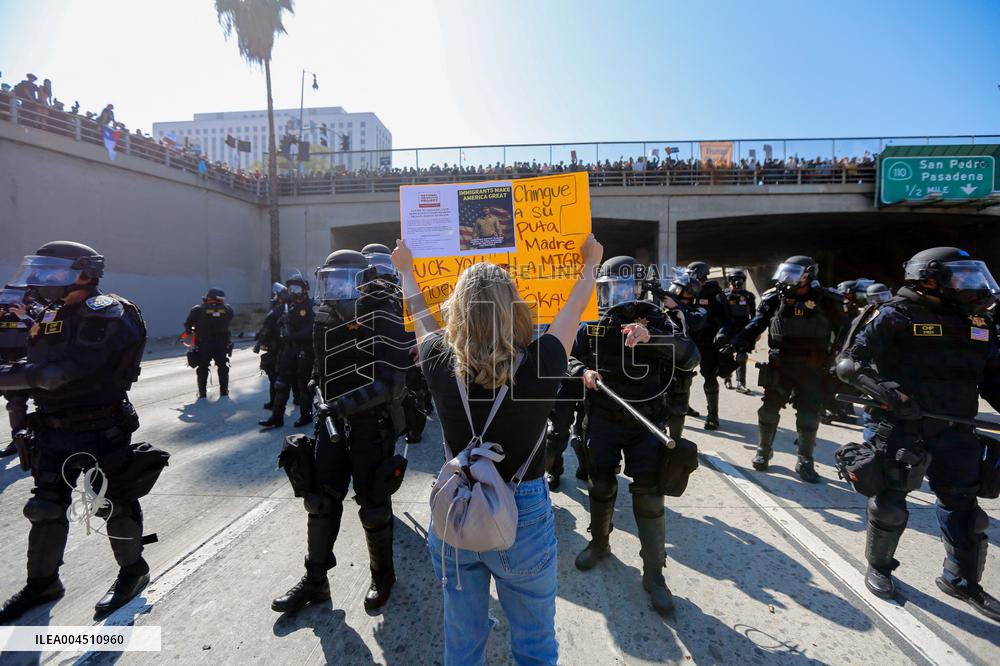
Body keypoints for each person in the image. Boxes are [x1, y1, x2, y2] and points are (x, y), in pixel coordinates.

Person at [396, 234, 602, 665]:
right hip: (521, 511)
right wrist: (591, 264)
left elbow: (419, 313)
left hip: (455, 508)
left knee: (462, 639)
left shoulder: (435, 357)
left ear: (458, 309)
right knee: (534, 643)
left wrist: (406, 269)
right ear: (513, 307)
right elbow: (573, 309)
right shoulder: (545, 359)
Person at [837, 247, 1000, 620]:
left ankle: (961, 580)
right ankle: (879, 567)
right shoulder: (893, 314)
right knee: (891, 503)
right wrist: (889, 394)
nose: (974, 284)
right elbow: (850, 363)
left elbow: (994, 378)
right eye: (963, 276)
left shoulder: (977, 322)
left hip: (958, 428)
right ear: (929, 279)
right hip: (902, 426)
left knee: (967, 512)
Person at [0, 241, 150, 622]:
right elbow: (27, 360)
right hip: (52, 427)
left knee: (113, 502)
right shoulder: (52, 313)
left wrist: (15, 377)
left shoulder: (109, 312)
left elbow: (59, 374)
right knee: (44, 508)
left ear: (85, 273)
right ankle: (43, 583)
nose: (41, 279)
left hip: (101, 426)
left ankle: (133, 572)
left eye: (51, 272)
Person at [272, 250, 410, 614]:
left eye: (342, 281)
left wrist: (344, 406)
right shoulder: (322, 316)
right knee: (319, 500)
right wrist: (318, 395)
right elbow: (319, 370)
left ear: (362, 281)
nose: (334, 289)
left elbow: (393, 384)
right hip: (329, 423)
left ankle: (383, 576)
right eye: (329, 280)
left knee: (374, 506)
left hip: (371, 425)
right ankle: (315, 580)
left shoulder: (385, 315)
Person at [570, 256, 700, 616]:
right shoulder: (593, 323)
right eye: (609, 288)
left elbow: (690, 357)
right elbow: (569, 356)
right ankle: (599, 544)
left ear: (640, 287)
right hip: (603, 419)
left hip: (648, 423)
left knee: (649, 496)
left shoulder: (660, 320)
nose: (615, 295)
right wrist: (582, 370)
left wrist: (653, 337)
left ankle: (654, 573)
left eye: (623, 287)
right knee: (600, 486)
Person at [726, 256, 848, 483]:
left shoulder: (826, 299)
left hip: (813, 366)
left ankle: (805, 459)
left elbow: (846, 330)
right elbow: (758, 323)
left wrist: (839, 358)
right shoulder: (775, 297)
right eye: (787, 272)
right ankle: (763, 450)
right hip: (780, 364)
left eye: (795, 273)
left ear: (808, 275)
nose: (788, 278)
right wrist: (738, 341)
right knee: (768, 411)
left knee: (809, 416)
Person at [259, 273, 314, 429]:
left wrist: (294, 334)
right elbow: (274, 324)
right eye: (291, 288)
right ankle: (277, 417)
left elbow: (312, 329)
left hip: (304, 351)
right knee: (281, 384)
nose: (293, 291)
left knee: (303, 386)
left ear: (305, 289)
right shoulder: (288, 307)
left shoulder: (311, 306)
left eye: (297, 287)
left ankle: (306, 416)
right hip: (288, 351)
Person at [684, 261, 733, 429]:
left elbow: (727, 318)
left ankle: (713, 416)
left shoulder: (714, 292)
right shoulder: (685, 288)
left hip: (707, 341)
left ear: (702, 276)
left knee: (709, 377)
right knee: (682, 376)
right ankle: (683, 406)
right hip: (689, 340)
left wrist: (722, 334)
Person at [183, 288, 234, 398]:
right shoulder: (227, 309)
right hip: (221, 344)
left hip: (204, 343)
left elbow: (188, 325)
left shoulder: (198, 310)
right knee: (223, 366)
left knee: (202, 368)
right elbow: (229, 320)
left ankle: (202, 393)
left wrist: (193, 329)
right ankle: (224, 390)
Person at [0, 285, 31, 458]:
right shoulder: (2, 311)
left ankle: (19, 441)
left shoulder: (37, 311)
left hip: (22, 364)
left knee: (16, 404)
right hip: (2, 361)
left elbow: (42, 332)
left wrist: (24, 316)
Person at [723, 268, 756, 394]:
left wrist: (755, 332)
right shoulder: (724, 296)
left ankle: (740, 383)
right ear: (730, 281)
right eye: (735, 280)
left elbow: (754, 316)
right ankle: (727, 378)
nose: (738, 282)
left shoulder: (748, 296)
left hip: (743, 329)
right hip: (729, 329)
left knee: (742, 356)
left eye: (740, 280)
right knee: (727, 354)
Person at [254, 282, 286, 410]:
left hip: (276, 349)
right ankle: (298, 401)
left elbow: (266, 330)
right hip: (289, 349)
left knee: (275, 379)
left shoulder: (275, 312)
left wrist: (260, 342)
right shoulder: (291, 309)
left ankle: (274, 403)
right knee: (293, 377)